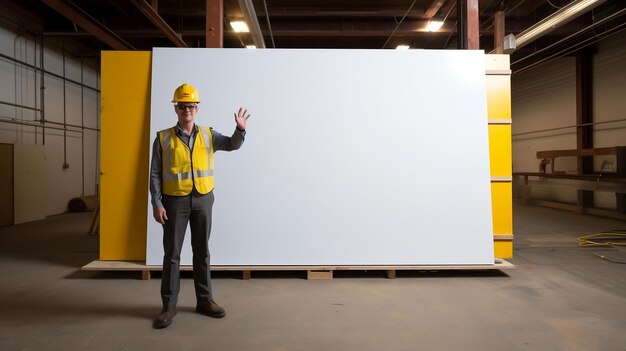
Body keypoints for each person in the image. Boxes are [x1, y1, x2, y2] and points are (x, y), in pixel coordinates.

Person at [149, 83, 250, 329]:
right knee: (172, 255)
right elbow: (155, 174)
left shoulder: (208, 134)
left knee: (202, 252)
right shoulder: (163, 138)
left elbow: (232, 144)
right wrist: (156, 202)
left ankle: (205, 300)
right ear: (176, 109)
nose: (187, 110)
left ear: (197, 109)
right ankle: (169, 306)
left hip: (203, 199)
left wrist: (240, 129)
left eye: (191, 106)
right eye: (182, 106)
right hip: (174, 203)